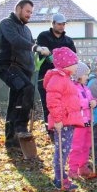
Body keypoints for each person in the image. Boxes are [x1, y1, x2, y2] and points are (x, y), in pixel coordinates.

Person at [0, 0, 50, 148]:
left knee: (15, 103)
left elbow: (30, 50)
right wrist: (36, 47)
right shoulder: (6, 23)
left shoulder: (27, 30)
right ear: (18, 9)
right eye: (27, 11)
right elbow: (15, 41)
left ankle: (11, 141)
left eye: (31, 12)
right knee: (27, 89)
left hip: (24, 71)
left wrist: (38, 60)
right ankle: (21, 126)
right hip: (9, 67)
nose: (29, 15)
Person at [44, 47, 83, 190]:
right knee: (62, 151)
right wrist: (58, 120)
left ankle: (62, 176)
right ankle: (59, 179)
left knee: (65, 150)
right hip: (63, 122)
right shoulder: (58, 78)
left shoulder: (66, 78)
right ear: (66, 64)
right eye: (75, 62)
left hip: (68, 121)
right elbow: (53, 100)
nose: (77, 65)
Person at [36, 13, 77, 141]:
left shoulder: (68, 41)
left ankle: (64, 129)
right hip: (46, 77)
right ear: (53, 23)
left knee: (64, 104)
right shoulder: (43, 36)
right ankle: (51, 131)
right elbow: (41, 54)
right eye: (59, 24)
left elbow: (73, 59)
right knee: (48, 104)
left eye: (63, 24)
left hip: (64, 80)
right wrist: (50, 57)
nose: (61, 26)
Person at [68, 62, 97, 179]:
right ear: (78, 75)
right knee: (77, 145)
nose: (87, 77)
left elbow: (92, 100)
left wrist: (95, 102)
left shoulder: (86, 88)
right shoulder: (73, 88)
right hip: (78, 122)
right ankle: (73, 169)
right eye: (86, 74)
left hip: (88, 121)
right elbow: (74, 103)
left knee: (86, 144)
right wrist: (87, 103)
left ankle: (83, 166)